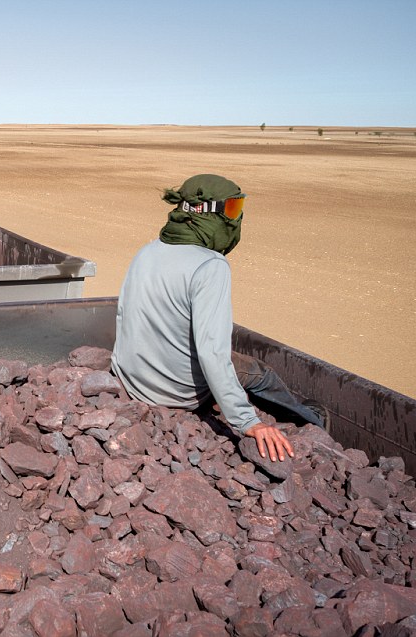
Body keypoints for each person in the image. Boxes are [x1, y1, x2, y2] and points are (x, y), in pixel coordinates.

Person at [111, 174, 326, 463]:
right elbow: (213, 353)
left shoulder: (147, 250)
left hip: (134, 380)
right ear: (207, 212)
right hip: (178, 392)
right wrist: (246, 421)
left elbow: (124, 316)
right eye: (232, 210)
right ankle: (313, 421)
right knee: (258, 373)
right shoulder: (210, 266)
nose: (236, 218)